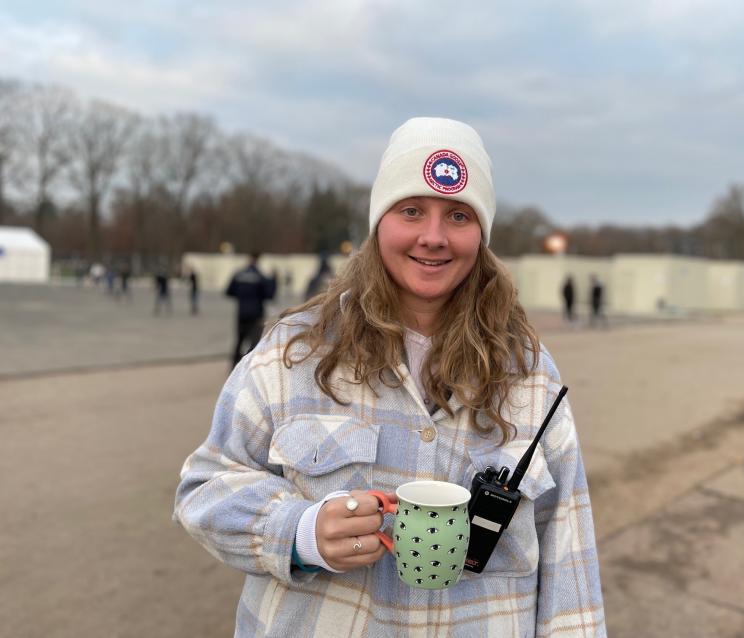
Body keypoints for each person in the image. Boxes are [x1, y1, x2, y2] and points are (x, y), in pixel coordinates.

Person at [174, 117, 606, 637]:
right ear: (380, 221)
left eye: (459, 215)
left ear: (482, 235)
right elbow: (203, 488)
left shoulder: (529, 374)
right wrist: (299, 532)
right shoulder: (292, 353)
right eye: (411, 210)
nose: (434, 237)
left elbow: (568, 554)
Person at [225, 252, 277, 368]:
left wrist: (242, 296)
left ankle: (234, 366)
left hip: (241, 313)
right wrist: (274, 279)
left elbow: (228, 291)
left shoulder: (239, 274)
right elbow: (270, 294)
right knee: (254, 342)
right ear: (258, 260)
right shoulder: (260, 276)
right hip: (256, 313)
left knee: (239, 340)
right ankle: (248, 367)